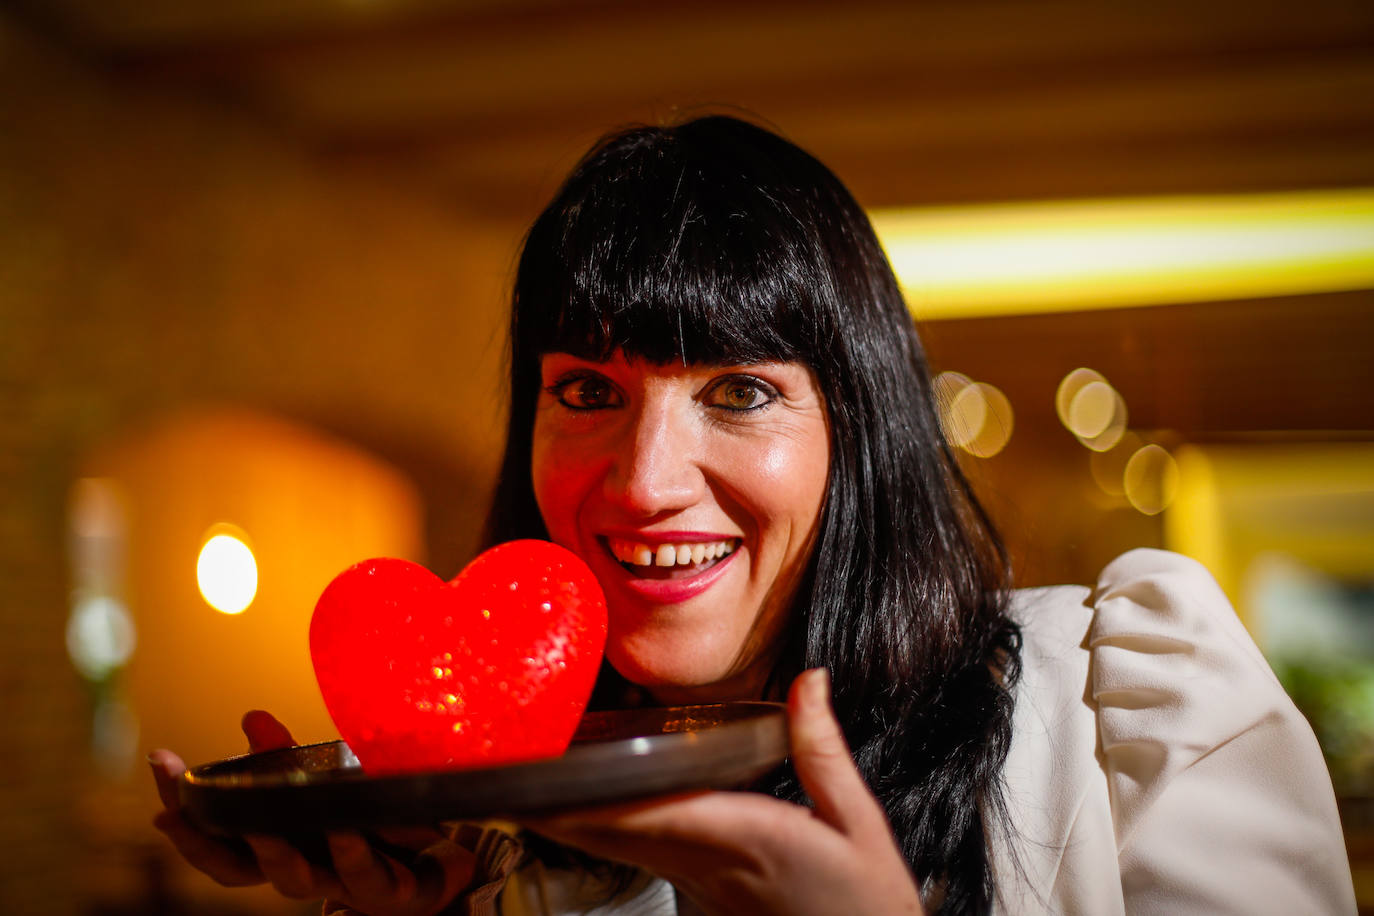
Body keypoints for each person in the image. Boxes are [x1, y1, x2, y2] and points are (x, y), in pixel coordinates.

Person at [149, 115, 1356, 915]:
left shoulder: (1118, 705)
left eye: (738, 392)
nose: (643, 482)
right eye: (588, 392)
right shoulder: (508, 829)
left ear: (861, 429)